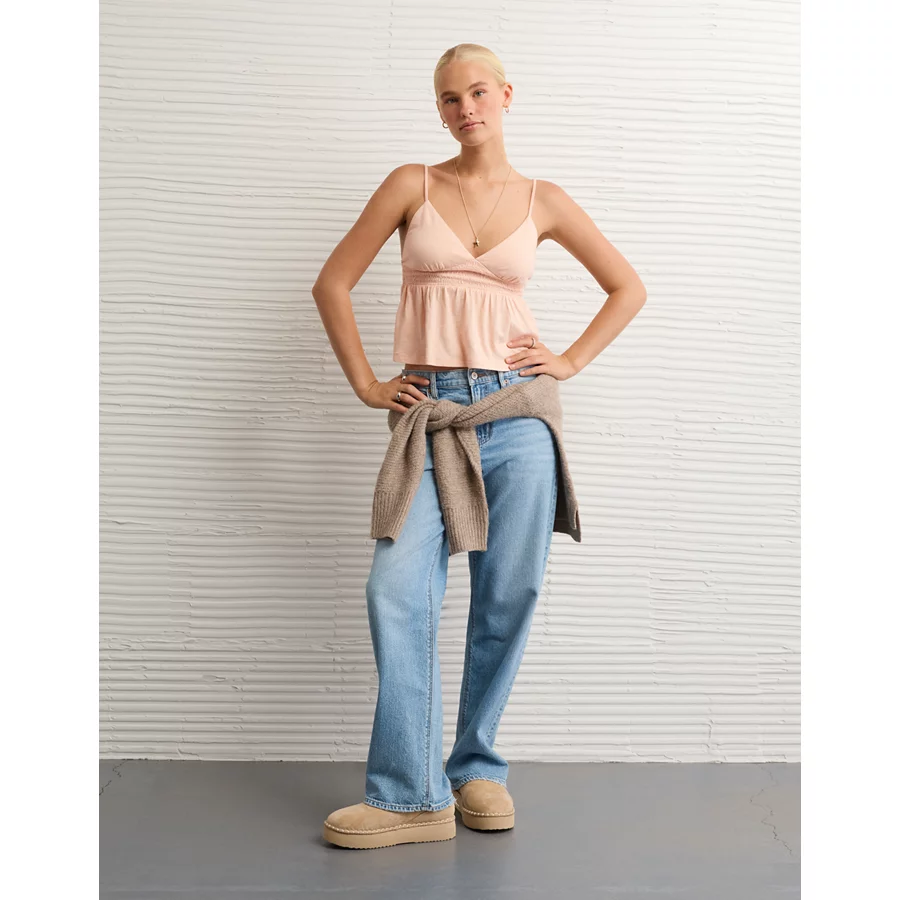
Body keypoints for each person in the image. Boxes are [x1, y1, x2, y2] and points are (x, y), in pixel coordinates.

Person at [312, 43, 646, 850]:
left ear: (505, 95)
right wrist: (367, 384)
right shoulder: (412, 185)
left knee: (507, 594)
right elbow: (332, 283)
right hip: (430, 414)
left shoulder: (544, 200)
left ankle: (476, 768)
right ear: (439, 109)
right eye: (449, 98)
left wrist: (568, 360)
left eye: (477, 92)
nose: (465, 109)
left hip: (516, 411)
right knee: (395, 588)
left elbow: (627, 287)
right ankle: (410, 795)